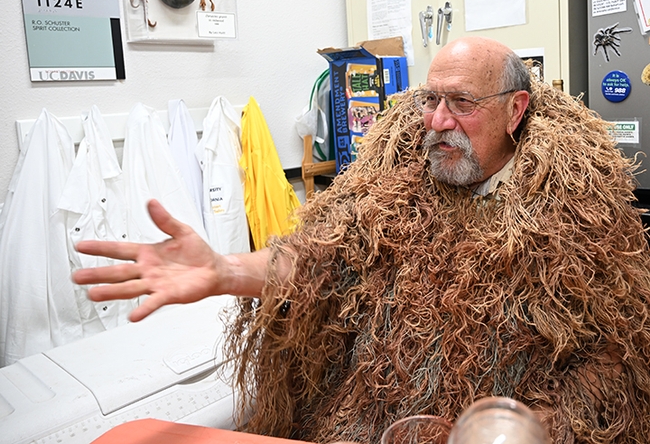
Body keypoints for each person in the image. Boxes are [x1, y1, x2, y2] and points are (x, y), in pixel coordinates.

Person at [74, 37, 650, 444]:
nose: (438, 122)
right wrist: (226, 270)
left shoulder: (577, 217)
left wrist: (525, 429)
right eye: (432, 100)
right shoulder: (392, 181)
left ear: (515, 110)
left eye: (463, 104)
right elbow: (317, 258)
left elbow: (616, 364)